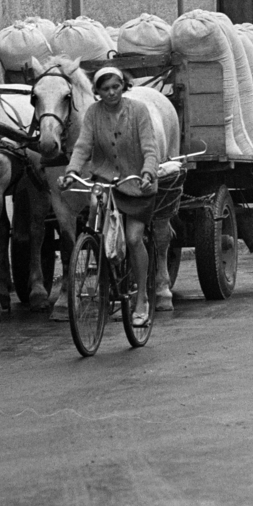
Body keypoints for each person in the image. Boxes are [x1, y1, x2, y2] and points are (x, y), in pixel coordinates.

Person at [65, 66, 160, 326]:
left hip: (136, 184)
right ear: (97, 91)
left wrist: (148, 172)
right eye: (105, 89)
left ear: (123, 86)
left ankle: (142, 298)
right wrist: (72, 171)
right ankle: (107, 272)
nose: (111, 93)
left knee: (133, 238)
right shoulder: (93, 113)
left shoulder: (138, 111)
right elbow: (83, 146)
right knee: (96, 223)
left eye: (115, 87)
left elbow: (150, 147)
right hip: (106, 181)